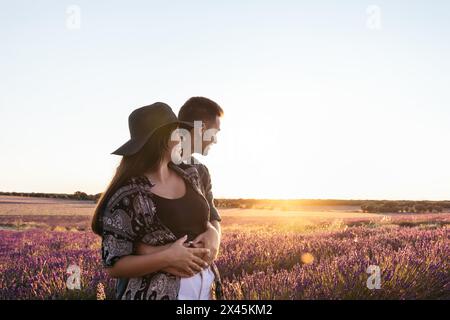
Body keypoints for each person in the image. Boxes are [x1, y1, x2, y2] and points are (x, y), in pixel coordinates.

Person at [91, 102, 223, 300]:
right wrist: (166, 257)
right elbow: (114, 266)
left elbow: (207, 217)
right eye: (177, 131)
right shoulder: (127, 194)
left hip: (205, 288)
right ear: (163, 138)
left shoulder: (191, 173)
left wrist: (213, 233)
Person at [135, 97, 224, 299]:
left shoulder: (200, 171)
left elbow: (212, 216)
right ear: (201, 130)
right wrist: (162, 255)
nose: (216, 139)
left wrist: (215, 237)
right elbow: (125, 240)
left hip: (203, 284)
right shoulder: (148, 172)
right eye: (215, 132)